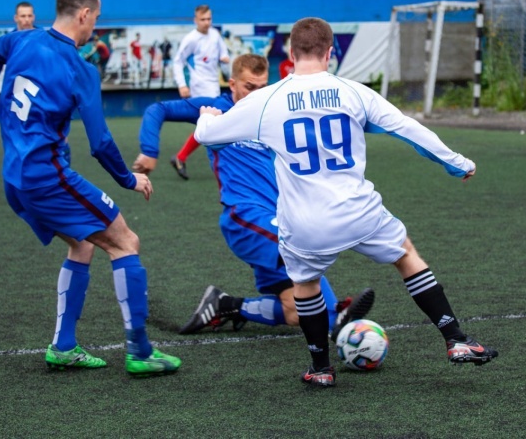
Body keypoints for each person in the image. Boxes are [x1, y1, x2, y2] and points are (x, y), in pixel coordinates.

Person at [194, 17, 498, 388]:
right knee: (406, 256)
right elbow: (407, 128)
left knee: (305, 284)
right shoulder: (354, 92)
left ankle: (321, 369)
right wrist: (457, 163)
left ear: (291, 54)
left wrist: (206, 118)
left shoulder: (265, 100)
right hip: (359, 212)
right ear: (329, 53)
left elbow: (208, 137)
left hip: (305, 223)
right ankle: (455, 339)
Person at [0, 0, 181, 377]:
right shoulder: (79, 68)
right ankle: (140, 351)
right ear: (84, 14)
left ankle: (64, 347)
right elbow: (101, 143)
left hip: (14, 179)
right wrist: (129, 179)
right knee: (125, 242)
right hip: (46, 178)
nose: (94, 26)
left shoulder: (21, 40)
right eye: (95, 18)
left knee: (82, 243)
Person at [131, 54, 374, 339]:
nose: (256, 93)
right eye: (249, 87)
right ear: (232, 84)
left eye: (262, 87)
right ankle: (336, 315)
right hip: (244, 216)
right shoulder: (216, 109)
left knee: (295, 311)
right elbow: (157, 109)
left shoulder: (270, 109)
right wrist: (149, 150)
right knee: (300, 244)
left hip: (276, 216)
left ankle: (227, 306)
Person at [169, 4, 231, 180]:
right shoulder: (191, 39)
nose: (206, 22)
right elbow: (178, 62)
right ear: (195, 20)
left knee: (210, 125)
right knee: (211, 125)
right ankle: (218, 164)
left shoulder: (215, 35)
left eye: (209, 19)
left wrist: (225, 61)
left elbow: (225, 57)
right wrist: (182, 84)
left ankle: (181, 157)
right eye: (203, 19)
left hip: (214, 86)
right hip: (199, 87)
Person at [0, 2, 36, 105]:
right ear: (16, 18)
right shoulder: (8, 41)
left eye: (29, 16)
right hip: (16, 92)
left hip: (39, 91)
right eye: (23, 16)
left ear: (34, 17)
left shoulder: (44, 38)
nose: (27, 19)